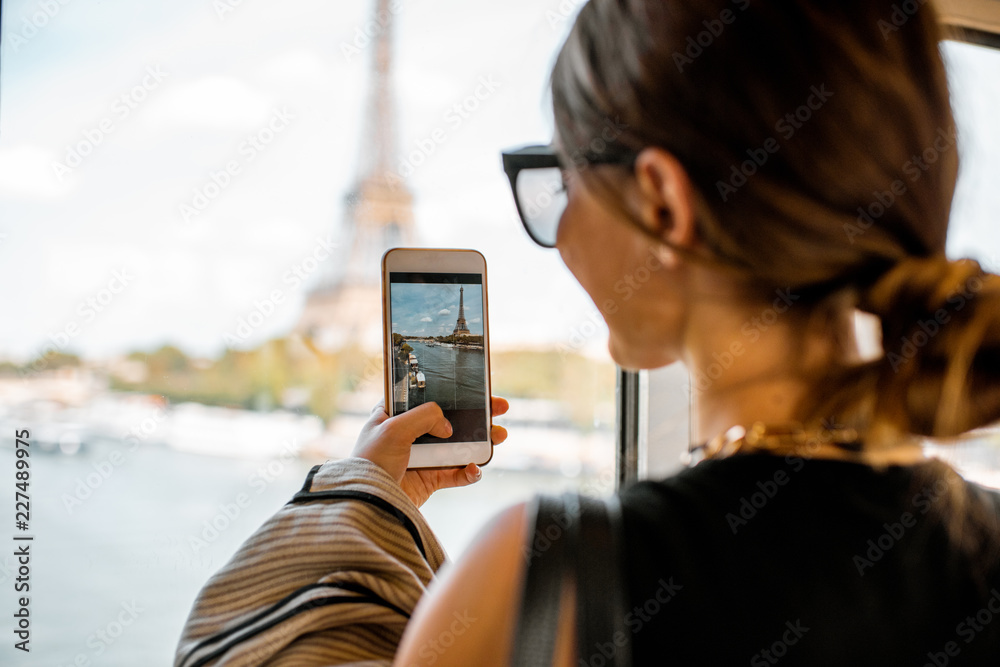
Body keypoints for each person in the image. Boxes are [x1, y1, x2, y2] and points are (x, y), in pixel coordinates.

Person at [175, 0, 1000, 665]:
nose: (560, 230)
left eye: (559, 180)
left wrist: (366, 492)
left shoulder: (546, 581)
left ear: (662, 206)